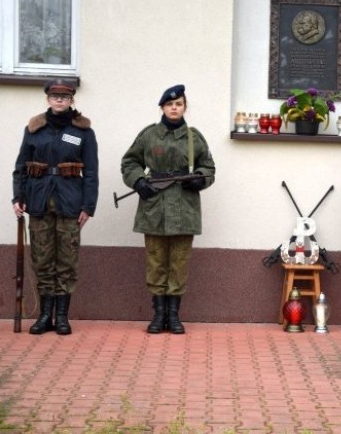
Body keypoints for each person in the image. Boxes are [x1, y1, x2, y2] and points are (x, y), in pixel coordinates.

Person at [121, 84, 216, 335]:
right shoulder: (149, 135)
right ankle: (158, 315)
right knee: (156, 261)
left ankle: (174, 316)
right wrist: (139, 182)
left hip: (184, 206)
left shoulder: (194, 137)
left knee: (179, 262)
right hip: (155, 206)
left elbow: (208, 167)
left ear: (185, 107)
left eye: (179, 104)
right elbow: (130, 162)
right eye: (169, 104)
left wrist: (201, 179)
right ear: (162, 107)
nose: (174, 108)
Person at [12, 79, 99, 336]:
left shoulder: (83, 131)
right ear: (48, 99)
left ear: (72, 99)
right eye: (54, 96)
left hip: (70, 202)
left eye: (65, 96)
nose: (59, 100)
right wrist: (18, 197)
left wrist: (88, 205)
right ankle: (43, 316)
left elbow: (91, 172)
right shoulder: (35, 129)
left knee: (67, 261)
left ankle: (61, 316)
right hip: (38, 201)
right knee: (42, 259)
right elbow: (21, 166)